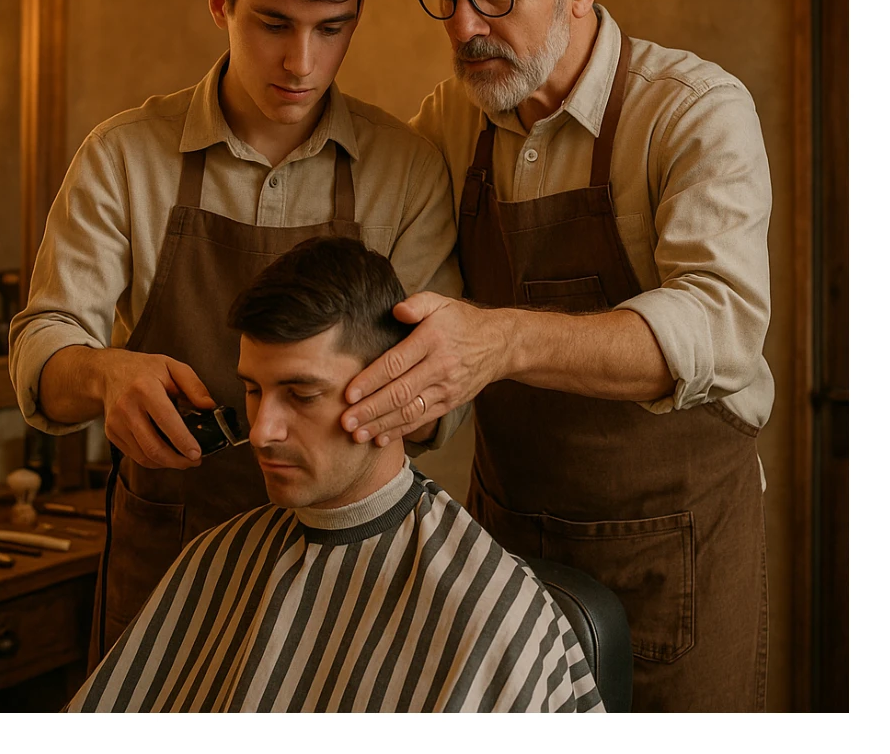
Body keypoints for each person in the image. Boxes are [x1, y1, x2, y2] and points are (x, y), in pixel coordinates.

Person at [338, 0, 773, 713]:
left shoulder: (693, 111)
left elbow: (720, 326)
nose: (465, 27)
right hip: (503, 547)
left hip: (674, 551)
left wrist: (504, 339)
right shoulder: (446, 124)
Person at [8, 0, 465, 659]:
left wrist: (389, 398)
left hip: (344, 575)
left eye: (332, 29)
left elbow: (435, 403)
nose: (301, 62)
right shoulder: (123, 159)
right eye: (273, 24)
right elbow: (41, 346)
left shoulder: (409, 169)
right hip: (169, 563)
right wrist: (104, 373)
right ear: (220, 1)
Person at [66, 237, 604, 713]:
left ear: (391, 392)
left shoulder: (493, 616)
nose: (261, 431)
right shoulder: (216, 559)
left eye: (301, 395)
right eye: (253, 390)